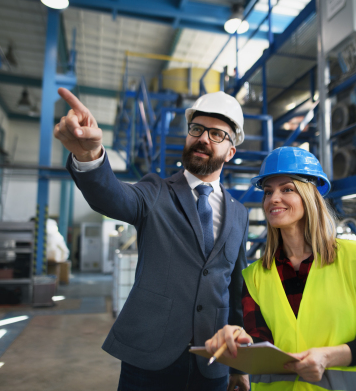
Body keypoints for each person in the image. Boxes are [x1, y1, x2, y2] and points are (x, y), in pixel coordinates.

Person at [54, 88, 250, 391]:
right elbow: (112, 197)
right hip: (149, 359)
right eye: (196, 129)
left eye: (216, 134)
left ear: (231, 151)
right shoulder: (156, 191)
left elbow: (235, 291)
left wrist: (238, 366)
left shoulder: (239, 213)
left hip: (213, 361)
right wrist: (89, 155)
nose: (203, 138)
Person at [205, 147, 356, 391]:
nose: (273, 198)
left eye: (287, 189)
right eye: (268, 192)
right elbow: (263, 344)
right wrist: (238, 340)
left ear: (310, 196)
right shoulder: (254, 276)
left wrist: (329, 356)